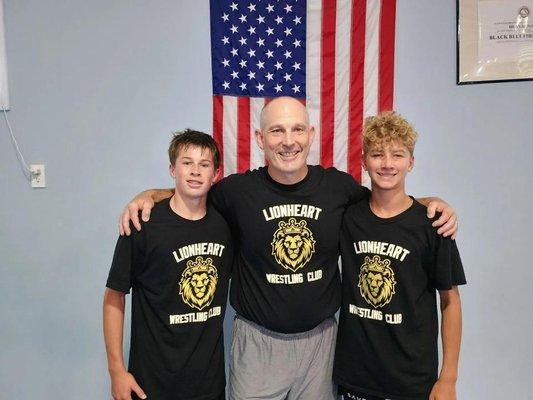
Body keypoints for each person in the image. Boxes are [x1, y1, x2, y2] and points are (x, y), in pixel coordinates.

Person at [118, 97, 458, 400]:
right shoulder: (237, 192)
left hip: (321, 344)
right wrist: (150, 195)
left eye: (297, 129)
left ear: (310, 134)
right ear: (260, 139)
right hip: (257, 343)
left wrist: (430, 203)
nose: (288, 141)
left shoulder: (338, 188)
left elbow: (386, 203)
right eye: (277, 131)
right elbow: (193, 192)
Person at [334, 112, 465, 400]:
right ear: (364, 161)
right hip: (355, 377)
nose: (387, 164)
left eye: (398, 155)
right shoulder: (347, 217)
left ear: (411, 162)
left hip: (412, 380)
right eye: (377, 154)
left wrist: (448, 378)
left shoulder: (433, 224)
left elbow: (450, 301)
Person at [103, 130, 233, 400]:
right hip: (150, 384)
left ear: (216, 174)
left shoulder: (227, 226)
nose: (195, 171)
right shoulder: (142, 224)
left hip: (208, 386)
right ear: (172, 169)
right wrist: (116, 370)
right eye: (187, 162)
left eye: (204, 164)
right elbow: (114, 296)